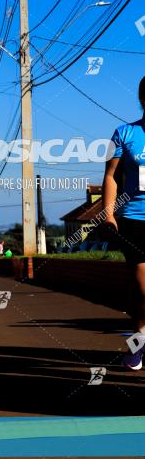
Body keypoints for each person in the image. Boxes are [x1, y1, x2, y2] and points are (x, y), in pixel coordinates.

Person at [102, 76, 145, 371]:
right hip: (134, 219)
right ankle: (139, 341)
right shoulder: (123, 133)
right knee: (143, 290)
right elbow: (110, 177)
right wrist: (108, 214)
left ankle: (139, 342)